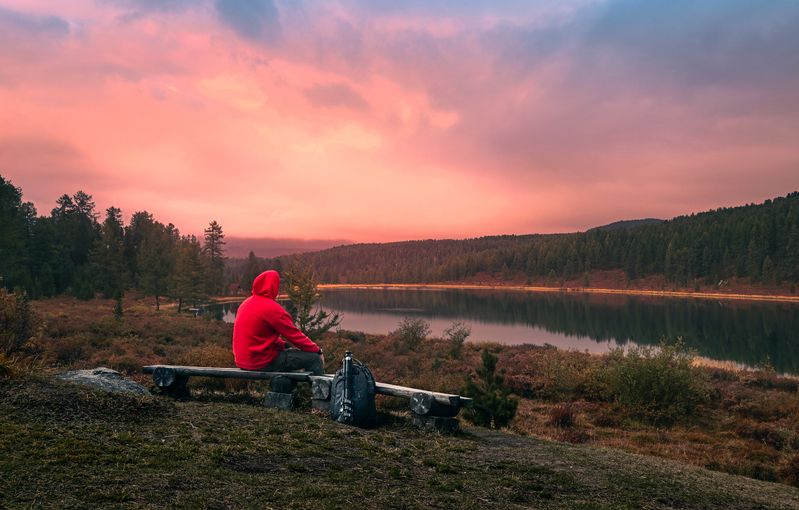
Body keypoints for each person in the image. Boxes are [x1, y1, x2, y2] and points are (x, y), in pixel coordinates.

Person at [232, 270, 324, 375]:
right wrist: (317, 350)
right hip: (261, 363)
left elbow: (258, 335)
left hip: (242, 361)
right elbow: (294, 335)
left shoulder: (246, 303)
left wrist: (283, 345)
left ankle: (282, 390)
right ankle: (321, 391)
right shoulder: (271, 308)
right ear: (273, 286)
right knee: (314, 359)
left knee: (287, 354)